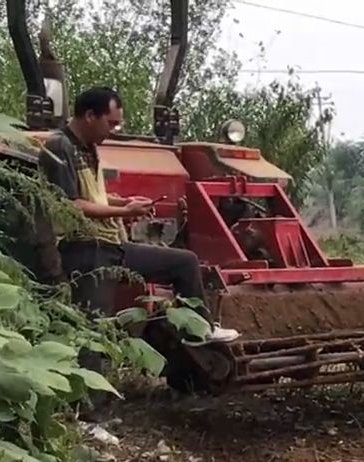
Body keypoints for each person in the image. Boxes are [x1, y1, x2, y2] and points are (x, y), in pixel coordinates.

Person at [37, 86, 237, 341]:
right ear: (89, 116)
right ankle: (90, 375)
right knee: (92, 333)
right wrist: (122, 210)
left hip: (109, 245)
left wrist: (124, 201)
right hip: (84, 251)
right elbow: (70, 204)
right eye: (111, 124)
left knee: (184, 262)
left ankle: (198, 330)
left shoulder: (88, 147)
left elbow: (91, 196)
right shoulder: (59, 147)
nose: (113, 132)